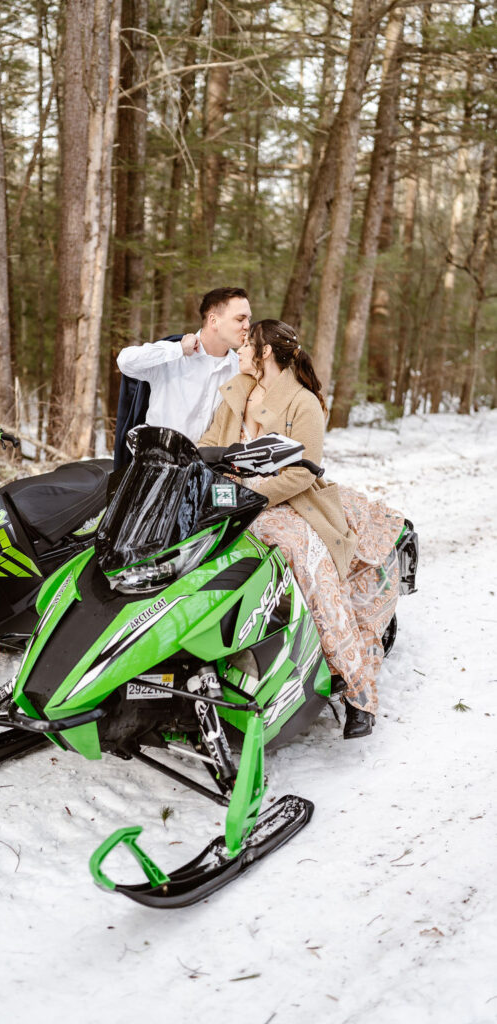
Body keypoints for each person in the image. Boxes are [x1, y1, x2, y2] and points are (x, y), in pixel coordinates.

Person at [198, 318, 404, 739]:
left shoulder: (303, 402)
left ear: (265, 352)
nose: (239, 350)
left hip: (285, 504)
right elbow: (205, 444)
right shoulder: (237, 391)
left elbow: (301, 474)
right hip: (225, 502)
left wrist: (251, 493)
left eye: (246, 344)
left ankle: (356, 692)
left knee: (313, 569)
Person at [116, 287, 251, 445]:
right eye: (240, 319)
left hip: (208, 464)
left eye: (249, 319)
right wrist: (178, 349)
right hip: (158, 462)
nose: (247, 326)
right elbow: (125, 361)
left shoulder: (240, 369)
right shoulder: (173, 356)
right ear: (213, 321)